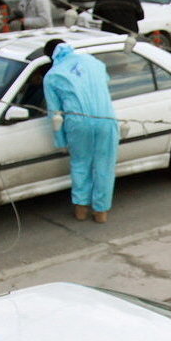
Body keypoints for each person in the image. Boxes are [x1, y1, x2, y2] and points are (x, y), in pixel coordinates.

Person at [43, 39, 119, 223]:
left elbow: (55, 114)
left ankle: (81, 209)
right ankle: (101, 212)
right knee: (105, 164)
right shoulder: (94, 62)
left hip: (78, 122)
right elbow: (104, 83)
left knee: (80, 164)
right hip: (105, 118)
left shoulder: (52, 76)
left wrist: (61, 142)